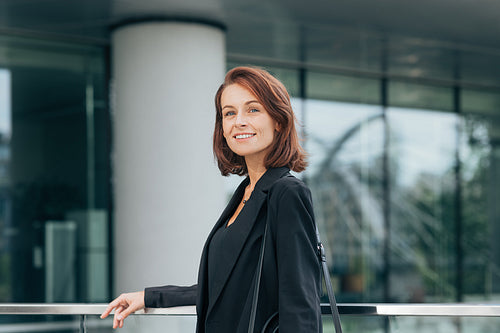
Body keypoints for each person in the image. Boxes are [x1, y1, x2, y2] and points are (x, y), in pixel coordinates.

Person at [101, 66, 323, 332]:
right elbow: (222, 288)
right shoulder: (244, 193)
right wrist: (149, 297)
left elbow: (301, 303)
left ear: (278, 120)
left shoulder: (287, 193)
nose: (239, 121)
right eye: (229, 113)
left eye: (252, 109)